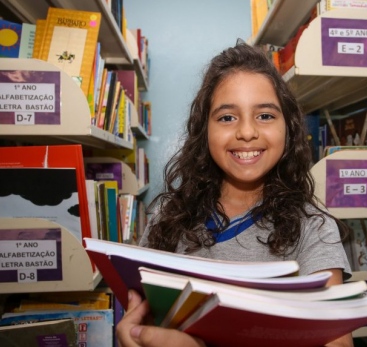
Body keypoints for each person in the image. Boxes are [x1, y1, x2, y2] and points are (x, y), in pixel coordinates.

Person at [116, 43, 354, 347]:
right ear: (204, 130)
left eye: (265, 115)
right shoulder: (167, 219)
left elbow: (337, 342)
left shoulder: (314, 228)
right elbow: (144, 318)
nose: (246, 132)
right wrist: (136, 336)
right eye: (227, 117)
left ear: (289, 128)